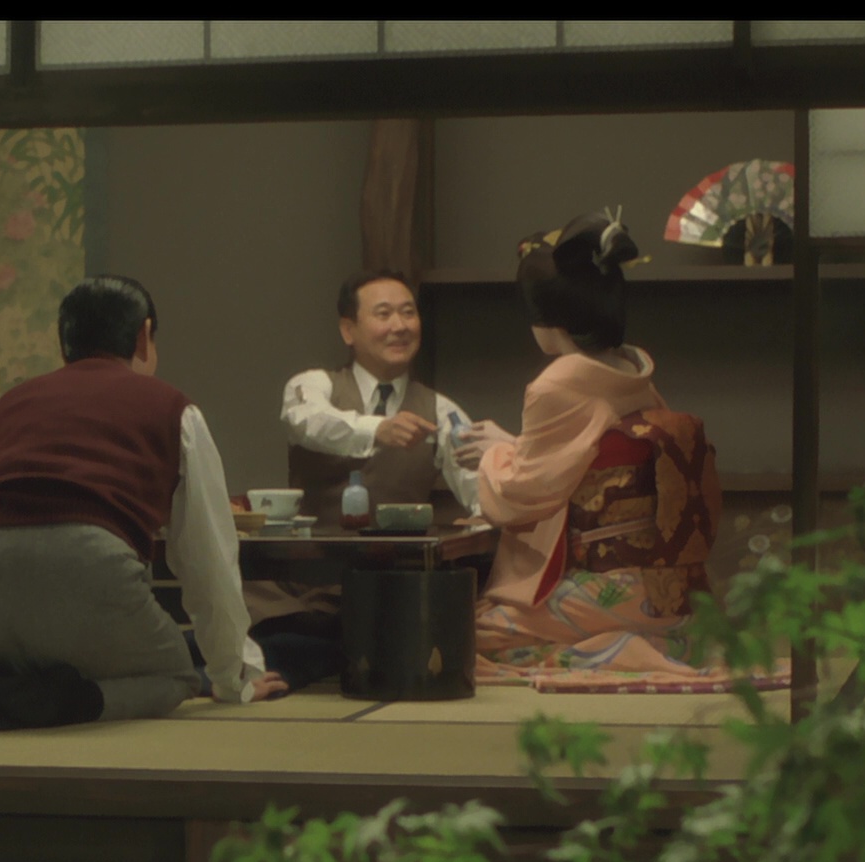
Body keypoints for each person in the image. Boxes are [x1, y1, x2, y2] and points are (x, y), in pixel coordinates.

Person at [0, 276, 289, 730]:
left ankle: (8, 681)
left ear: (64, 343)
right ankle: (73, 702)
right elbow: (207, 559)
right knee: (177, 676)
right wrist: (230, 677)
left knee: (42, 636)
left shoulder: (5, 407)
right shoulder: (173, 409)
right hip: (90, 572)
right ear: (144, 336)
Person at [452, 209, 750, 690]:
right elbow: (586, 457)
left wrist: (493, 454)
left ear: (546, 319)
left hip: (606, 586)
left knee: (470, 637)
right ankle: (659, 641)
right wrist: (513, 443)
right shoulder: (631, 368)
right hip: (671, 591)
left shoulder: (557, 383)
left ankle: (615, 650)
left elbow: (523, 493)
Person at [234, 269, 503, 692]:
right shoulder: (314, 386)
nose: (400, 325)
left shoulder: (441, 410)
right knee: (261, 617)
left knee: (367, 640)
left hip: (387, 589)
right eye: (383, 314)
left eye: (408, 313)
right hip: (302, 585)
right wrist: (377, 429)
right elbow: (308, 423)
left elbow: (478, 486)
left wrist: (487, 512)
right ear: (348, 330)